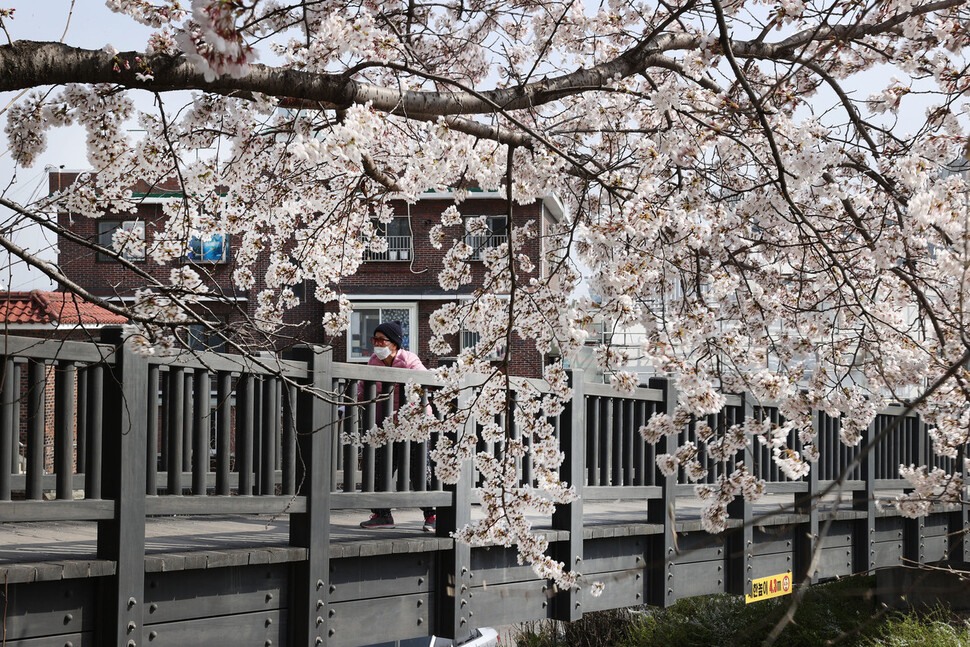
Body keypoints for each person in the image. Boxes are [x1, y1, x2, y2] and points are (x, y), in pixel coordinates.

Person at [358, 321, 437, 532]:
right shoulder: (374, 361)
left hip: (413, 425)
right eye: (374, 339)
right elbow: (363, 388)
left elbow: (424, 384)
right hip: (385, 425)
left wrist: (406, 413)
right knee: (380, 468)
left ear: (394, 344)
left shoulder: (409, 360)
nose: (376, 344)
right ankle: (382, 515)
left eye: (381, 340)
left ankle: (432, 515)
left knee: (418, 469)